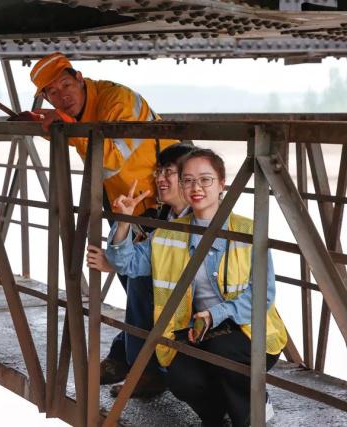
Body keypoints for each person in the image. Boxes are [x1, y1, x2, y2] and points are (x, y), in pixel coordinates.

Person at [104, 149, 287, 426]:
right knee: (180, 376)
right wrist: (123, 221)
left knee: (221, 347)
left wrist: (216, 314)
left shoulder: (247, 230)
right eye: (188, 180)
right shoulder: (168, 234)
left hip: (249, 330)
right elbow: (125, 263)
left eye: (205, 179)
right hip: (197, 332)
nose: (196, 187)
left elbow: (264, 295)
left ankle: (253, 413)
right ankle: (215, 417)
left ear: (222, 183)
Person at [86, 143, 196, 397]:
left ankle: (144, 369)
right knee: (140, 281)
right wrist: (124, 220)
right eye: (159, 172)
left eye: (168, 172)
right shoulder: (162, 214)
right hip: (176, 306)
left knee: (141, 283)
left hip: (199, 311)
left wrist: (117, 263)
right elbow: (138, 258)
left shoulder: (202, 216)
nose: (160, 179)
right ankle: (136, 363)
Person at [30, 52, 178, 217]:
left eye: (66, 85)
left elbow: (112, 159)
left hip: (164, 199)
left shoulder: (117, 100)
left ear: (79, 79)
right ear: (46, 98)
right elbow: (78, 138)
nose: (63, 96)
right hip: (123, 201)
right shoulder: (80, 110)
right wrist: (44, 125)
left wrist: (70, 126)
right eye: (53, 92)